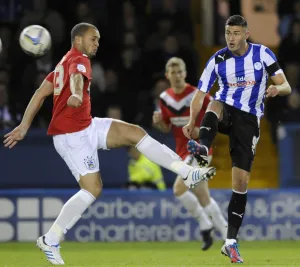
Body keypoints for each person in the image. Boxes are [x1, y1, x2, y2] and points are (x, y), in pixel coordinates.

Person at [3, 22, 216, 265]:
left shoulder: (62, 63)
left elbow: (40, 93)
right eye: (93, 38)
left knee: (135, 133)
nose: (97, 43)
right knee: (92, 189)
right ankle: (51, 238)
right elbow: (76, 79)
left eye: (98, 39)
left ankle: (185, 171)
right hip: (71, 136)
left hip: (87, 125)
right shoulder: (78, 60)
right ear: (79, 39)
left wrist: (23, 126)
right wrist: (74, 93)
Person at [183, 15, 291, 263]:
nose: (230, 38)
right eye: (227, 33)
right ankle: (203, 150)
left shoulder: (262, 54)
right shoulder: (217, 59)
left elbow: (286, 86)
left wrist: (277, 89)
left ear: (246, 34)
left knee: (240, 184)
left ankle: (230, 242)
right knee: (215, 103)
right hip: (226, 110)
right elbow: (200, 95)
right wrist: (191, 122)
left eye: (235, 33)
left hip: (250, 120)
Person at [153, 57, 227, 251]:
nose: (177, 76)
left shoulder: (197, 95)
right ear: (167, 75)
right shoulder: (165, 99)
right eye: (173, 72)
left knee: (178, 189)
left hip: (200, 150)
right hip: (182, 153)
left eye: (180, 72)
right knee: (203, 196)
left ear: (185, 74)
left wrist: (203, 130)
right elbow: (167, 127)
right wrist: (158, 122)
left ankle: (205, 224)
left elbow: (217, 114)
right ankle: (227, 236)